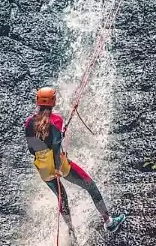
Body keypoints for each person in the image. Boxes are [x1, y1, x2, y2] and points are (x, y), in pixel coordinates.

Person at [23, 87, 126, 232]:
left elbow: (31, 149)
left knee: (62, 198)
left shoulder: (28, 122)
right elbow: (56, 147)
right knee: (90, 185)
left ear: (37, 102)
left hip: (43, 168)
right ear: (53, 102)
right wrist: (57, 167)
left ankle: (71, 230)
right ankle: (109, 222)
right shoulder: (56, 120)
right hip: (59, 165)